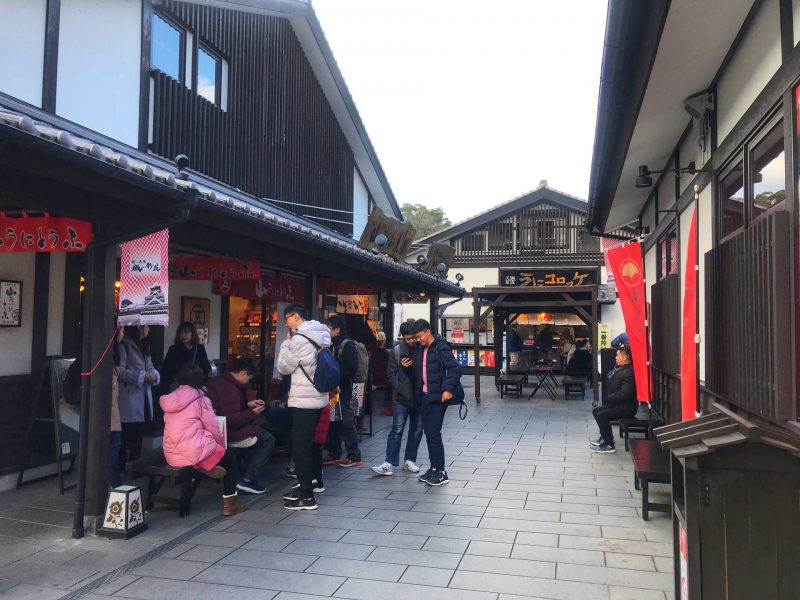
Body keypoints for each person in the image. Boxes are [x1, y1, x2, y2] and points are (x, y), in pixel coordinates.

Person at [160, 364, 246, 516]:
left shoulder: (170, 398)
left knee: (199, 446)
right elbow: (213, 427)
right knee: (230, 458)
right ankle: (230, 504)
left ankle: (203, 462)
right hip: (193, 449)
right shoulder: (200, 398)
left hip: (171, 453)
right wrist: (221, 446)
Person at [276, 303, 332, 510]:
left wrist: (285, 345)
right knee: (310, 443)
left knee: (300, 446)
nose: (285, 323)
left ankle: (307, 497)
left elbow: (283, 367)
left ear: (296, 317)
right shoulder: (322, 334)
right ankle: (312, 481)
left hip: (303, 400)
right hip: (318, 396)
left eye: (287, 318)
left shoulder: (299, 339)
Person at [206, 357, 275, 494]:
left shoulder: (221, 380)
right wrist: (253, 413)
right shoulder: (230, 388)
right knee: (268, 439)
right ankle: (248, 479)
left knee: (262, 433)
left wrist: (248, 405)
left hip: (217, 428)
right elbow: (234, 420)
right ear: (243, 373)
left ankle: (245, 471)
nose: (248, 382)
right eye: (249, 378)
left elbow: (229, 409)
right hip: (226, 432)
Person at [411, 319, 462, 486]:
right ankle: (433, 468)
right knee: (428, 432)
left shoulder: (441, 347)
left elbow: (455, 368)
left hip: (438, 397)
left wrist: (447, 389)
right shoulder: (420, 349)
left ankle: (441, 471)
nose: (418, 340)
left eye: (419, 336)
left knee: (433, 432)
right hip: (425, 396)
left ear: (428, 331)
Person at [371, 321, 422, 476]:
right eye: (408, 338)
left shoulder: (423, 349)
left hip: (420, 396)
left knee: (416, 430)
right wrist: (398, 387)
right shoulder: (397, 351)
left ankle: (409, 460)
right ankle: (389, 462)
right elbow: (390, 373)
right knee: (396, 430)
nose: (412, 341)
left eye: (414, 337)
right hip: (402, 396)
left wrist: (412, 368)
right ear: (402, 337)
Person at [117, 325, 160, 469]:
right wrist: (142, 376)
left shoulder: (145, 346)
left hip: (143, 396)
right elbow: (120, 371)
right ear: (139, 328)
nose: (148, 329)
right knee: (128, 433)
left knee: (138, 433)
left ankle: (135, 465)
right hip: (129, 396)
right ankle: (125, 466)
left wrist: (154, 374)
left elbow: (150, 366)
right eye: (146, 326)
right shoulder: (125, 346)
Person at [324, 315, 362, 468]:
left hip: (345, 390)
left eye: (328, 329)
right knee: (333, 421)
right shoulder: (331, 344)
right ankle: (334, 453)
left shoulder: (347, 345)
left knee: (346, 422)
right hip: (333, 391)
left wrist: (335, 374)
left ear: (337, 330)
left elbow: (351, 368)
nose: (326, 331)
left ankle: (354, 456)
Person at [591, 345, 637, 453]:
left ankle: (609, 445)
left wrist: (610, 397)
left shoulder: (628, 372)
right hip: (617, 405)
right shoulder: (622, 369)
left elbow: (625, 393)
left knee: (602, 415)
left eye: (617, 355)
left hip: (626, 408)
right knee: (596, 411)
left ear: (625, 357)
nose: (615, 358)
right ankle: (604, 438)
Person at [160, 322, 211, 392]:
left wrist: (202, 383)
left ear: (192, 333)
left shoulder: (199, 349)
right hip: (178, 387)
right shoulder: (173, 349)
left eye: (186, 332)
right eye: (181, 333)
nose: (183, 335)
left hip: (195, 386)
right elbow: (166, 369)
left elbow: (205, 367)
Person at [109, 327, 124, 488]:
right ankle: (114, 482)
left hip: (112, 412)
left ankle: (113, 481)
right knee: (113, 447)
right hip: (108, 413)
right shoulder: (107, 359)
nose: (123, 334)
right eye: (122, 331)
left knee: (114, 446)